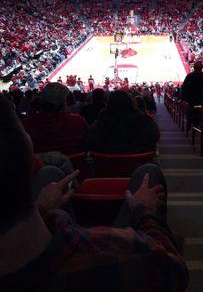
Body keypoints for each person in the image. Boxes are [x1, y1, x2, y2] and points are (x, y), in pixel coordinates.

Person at [0, 96, 189, 291]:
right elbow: (176, 271)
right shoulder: (127, 254)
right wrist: (146, 213)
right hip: (99, 248)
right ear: (26, 152)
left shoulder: (99, 126)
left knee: (50, 173)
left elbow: (89, 142)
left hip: (87, 188)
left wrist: (40, 208)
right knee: (148, 171)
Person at [22, 82, 89, 155]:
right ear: (64, 104)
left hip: (40, 165)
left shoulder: (25, 125)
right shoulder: (77, 121)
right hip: (75, 165)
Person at [85, 90, 160, 153]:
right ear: (130, 102)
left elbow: (90, 141)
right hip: (139, 164)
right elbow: (154, 137)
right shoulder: (144, 120)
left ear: (108, 103)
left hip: (106, 165)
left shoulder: (100, 123)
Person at [181, 61, 203, 127]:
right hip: (201, 97)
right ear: (201, 68)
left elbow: (184, 88)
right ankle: (199, 123)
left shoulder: (189, 76)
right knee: (199, 111)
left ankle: (190, 123)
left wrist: (183, 98)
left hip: (191, 98)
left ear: (194, 68)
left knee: (191, 111)